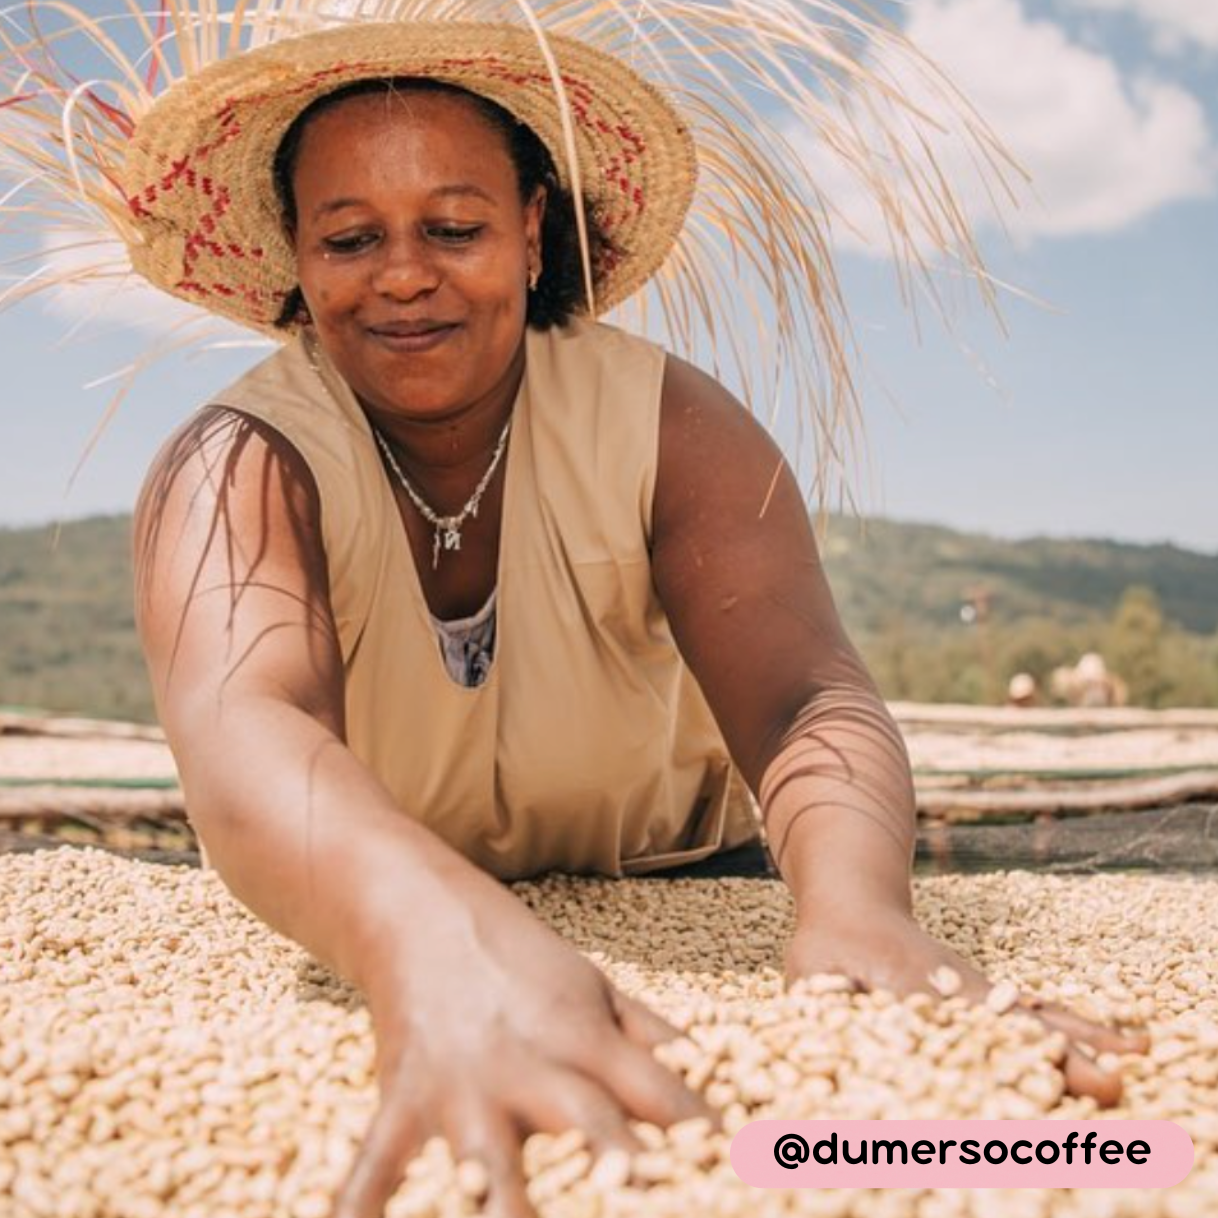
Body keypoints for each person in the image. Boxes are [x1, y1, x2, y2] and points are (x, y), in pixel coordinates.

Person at [2, 6, 1145, 1217]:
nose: (403, 274)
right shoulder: (233, 467)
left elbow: (807, 696)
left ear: (535, 232)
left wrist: (855, 913)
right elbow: (246, 729)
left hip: (698, 880)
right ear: (295, 249)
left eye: (454, 227)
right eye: (350, 238)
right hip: (374, 904)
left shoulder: (671, 429)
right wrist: (439, 947)